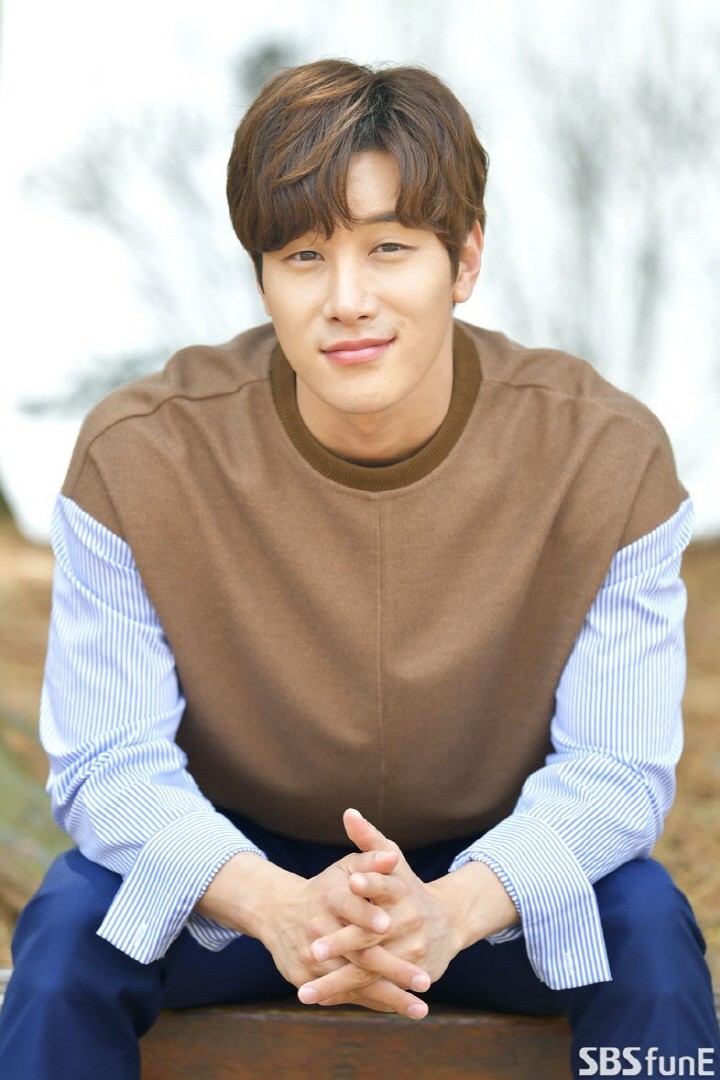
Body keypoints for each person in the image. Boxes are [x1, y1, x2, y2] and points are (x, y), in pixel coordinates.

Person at [0, 58, 717, 1079]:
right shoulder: (142, 457)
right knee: (75, 924)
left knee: (645, 923)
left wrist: (452, 908)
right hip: (235, 881)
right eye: (303, 255)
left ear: (464, 260)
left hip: (496, 889)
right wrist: (276, 904)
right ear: (261, 275)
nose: (347, 300)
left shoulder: (604, 457)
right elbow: (110, 764)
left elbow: (614, 770)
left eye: (389, 248)